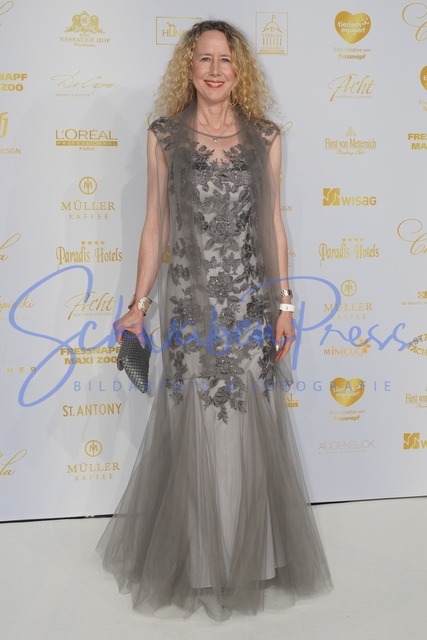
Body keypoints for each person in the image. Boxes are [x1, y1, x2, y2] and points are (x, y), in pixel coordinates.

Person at [96, 19, 333, 621]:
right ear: (189, 67)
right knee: (196, 424)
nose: (215, 70)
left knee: (246, 424)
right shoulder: (164, 136)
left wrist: (284, 304)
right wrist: (139, 305)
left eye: (226, 59)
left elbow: (272, 224)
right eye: (204, 58)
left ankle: (250, 558)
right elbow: (155, 225)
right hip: (191, 304)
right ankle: (200, 559)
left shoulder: (266, 137)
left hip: (249, 307)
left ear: (239, 69)